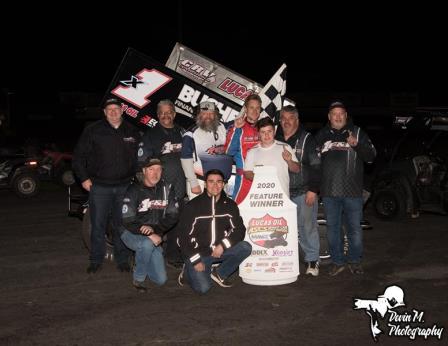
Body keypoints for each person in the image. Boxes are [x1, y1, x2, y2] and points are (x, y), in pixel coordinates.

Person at [73, 98, 140, 274]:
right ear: (104, 112)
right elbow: (78, 157)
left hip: (125, 187)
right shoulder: (93, 130)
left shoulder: (132, 131)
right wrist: (84, 179)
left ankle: (122, 260)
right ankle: (95, 260)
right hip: (100, 187)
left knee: (121, 225)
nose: (112, 112)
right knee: (98, 225)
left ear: (122, 110)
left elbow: (138, 160)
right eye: (109, 109)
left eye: (116, 108)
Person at [315, 101, 376, 276]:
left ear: (346, 115)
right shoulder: (322, 135)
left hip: (353, 192)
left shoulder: (357, 132)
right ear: (329, 117)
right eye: (334, 114)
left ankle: (355, 261)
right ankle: (337, 261)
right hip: (329, 192)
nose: (338, 117)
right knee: (333, 229)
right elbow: (313, 162)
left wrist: (356, 144)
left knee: (354, 229)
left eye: (341, 113)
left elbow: (371, 157)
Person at [177, 169, 251, 294]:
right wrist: (195, 260)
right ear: (205, 184)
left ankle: (219, 273)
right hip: (199, 254)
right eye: (211, 182)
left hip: (219, 251)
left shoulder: (230, 205)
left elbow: (239, 230)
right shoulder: (192, 206)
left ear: (223, 184)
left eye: (219, 182)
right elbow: (183, 238)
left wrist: (223, 245)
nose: (215, 185)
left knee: (245, 247)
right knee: (203, 288)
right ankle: (187, 272)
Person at [138, 99, 185, 268]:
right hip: (160, 188)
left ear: (174, 114)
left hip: (180, 187)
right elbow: (142, 162)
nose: (166, 115)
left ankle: (172, 256)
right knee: (155, 222)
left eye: (169, 112)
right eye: (162, 113)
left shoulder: (182, 132)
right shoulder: (150, 135)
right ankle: (147, 256)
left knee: (176, 221)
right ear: (158, 116)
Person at [275, 105, 321, 276]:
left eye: (290, 118)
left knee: (307, 228)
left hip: (304, 192)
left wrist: (313, 190)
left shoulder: (307, 138)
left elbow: (317, 166)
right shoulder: (276, 138)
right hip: (282, 194)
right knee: (284, 231)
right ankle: (287, 262)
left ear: (297, 120)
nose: (286, 122)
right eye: (283, 119)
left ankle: (312, 261)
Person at [120, 158, 179, 292]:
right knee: (146, 244)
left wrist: (157, 231)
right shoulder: (133, 189)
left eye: (158, 169)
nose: (155, 173)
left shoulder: (167, 189)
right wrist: (149, 233)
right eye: (151, 169)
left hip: (154, 234)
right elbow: (127, 219)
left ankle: (141, 257)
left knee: (161, 280)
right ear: (144, 171)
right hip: (130, 231)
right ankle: (138, 279)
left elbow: (173, 216)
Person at [181, 101, 233, 199]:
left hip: (220, 183)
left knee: (219, 213)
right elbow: (185, 159)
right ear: (198, 115)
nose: (208, 116)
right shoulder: (191, 134)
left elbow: (236, 123)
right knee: (198, 213)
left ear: (216, 115)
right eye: (204, 113)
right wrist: (193, 182)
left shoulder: (222, 127)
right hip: (200, 182)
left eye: (211, 113)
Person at [244, 117, 300, 197]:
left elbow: (297, 169)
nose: (266, 135)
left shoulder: (285, 147)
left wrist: (289, 161)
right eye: (263, 132)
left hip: (282, 198)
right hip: (260, 199)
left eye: (269, 131)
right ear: (258, 134)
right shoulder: (252, 151)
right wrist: (262, 178)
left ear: (274, 132)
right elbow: (247, 173)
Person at [225, 94, 262, 204]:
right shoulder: (238, 126)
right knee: (239, 212)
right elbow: (228, 152)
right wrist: (236, 129)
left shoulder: (264, 127)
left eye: (257, 108)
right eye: (251, 107)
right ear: (245, 109)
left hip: (262, 179)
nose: (255, 111)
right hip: (244, 180)